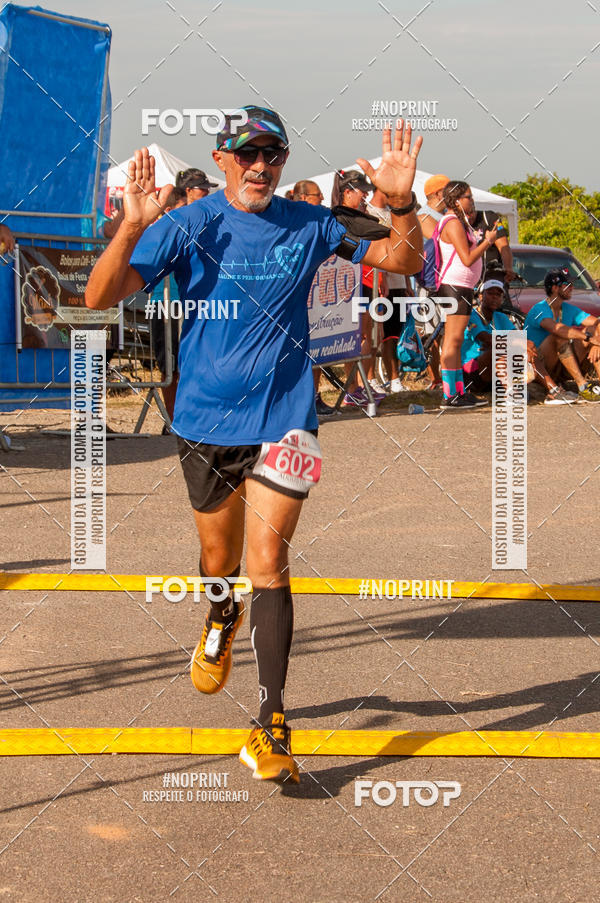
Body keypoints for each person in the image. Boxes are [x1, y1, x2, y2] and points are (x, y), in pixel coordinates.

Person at [85, 106, 423, 785]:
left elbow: (403, 260)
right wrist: (131, 226)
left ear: (284, 161)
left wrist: (401, 202)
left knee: (269, 562)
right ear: (222, 159)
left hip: (286, 419)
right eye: (247, 154)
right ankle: (221, 611)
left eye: (273, 153)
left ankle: (271, 722)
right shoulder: (190, 223)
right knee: (221, 560)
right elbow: (98, 298)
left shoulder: (311, 223)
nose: (261, 166)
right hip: (206, 422)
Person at [437, 180, 499, 410]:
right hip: (455, 286)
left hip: (460, 287)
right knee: (452, 341)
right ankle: (451, 394)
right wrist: (488, 241)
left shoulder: (457, 221)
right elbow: (467, 258)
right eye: (468, 197)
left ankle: (458, 392)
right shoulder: (452, 222)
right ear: (456, 200)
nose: (472, 201)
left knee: (455, 340)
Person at [462, 279, 570, 404]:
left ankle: (554, 391)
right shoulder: (472, 315)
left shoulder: (500, 317)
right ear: (481, 296)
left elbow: (518, 337)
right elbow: (486, 338)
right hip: (472, 373)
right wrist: (519, 343)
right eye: (490, 293)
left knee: (526, 348)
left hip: (494, 374)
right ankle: (512, 393)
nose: (495, 297)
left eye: (498, 295)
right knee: (500, 347)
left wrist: (524, 345)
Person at [330, 169, 385, 407]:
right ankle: (352, 389)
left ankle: (363, 384)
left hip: (368, 282)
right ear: (347, 192)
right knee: (356, 336)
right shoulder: (339, 217)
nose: (365, 196)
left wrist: (381, 279)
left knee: (371, 337)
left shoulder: (363, 215)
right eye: (362, 191)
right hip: (351, 285)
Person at [290, 179, 338, 417]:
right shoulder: (289, 225)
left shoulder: (320, 223)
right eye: (317, 194)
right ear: (302, 198)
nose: (322, 198)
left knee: (316, 348)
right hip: (292, 305)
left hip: (319, 298)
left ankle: (314, 397)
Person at [524, 267, 600, 402]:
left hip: (560, 365)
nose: (572, 288)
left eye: (572, 284)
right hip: (538, 367)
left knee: (593, 330)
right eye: (567, 285)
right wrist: (589, 338)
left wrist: (597, 342)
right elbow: (557, 329)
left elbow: (597, 322)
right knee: (559, 336)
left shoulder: (568, 309)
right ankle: (583, 386)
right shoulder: (539, 309)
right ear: (555, 288)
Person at [366, 188, 412, 393]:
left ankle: (394, 379)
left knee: (393, 333)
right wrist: (381, 277)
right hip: (377, 282)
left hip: (398, 280)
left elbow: (403, 248)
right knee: (375, 334)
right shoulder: (368, 212)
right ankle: (370, 379)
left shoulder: (394, 213)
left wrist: (407, 282)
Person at [415, 174, 449, 390]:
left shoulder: (444, 216)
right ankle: (436, 378)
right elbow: (445, 240)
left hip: (445, 283)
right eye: (448, 190)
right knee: (433, 334)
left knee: (447, 333)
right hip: (429, 285)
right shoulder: (424, 217)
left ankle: (447, 378)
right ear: (437, 193)